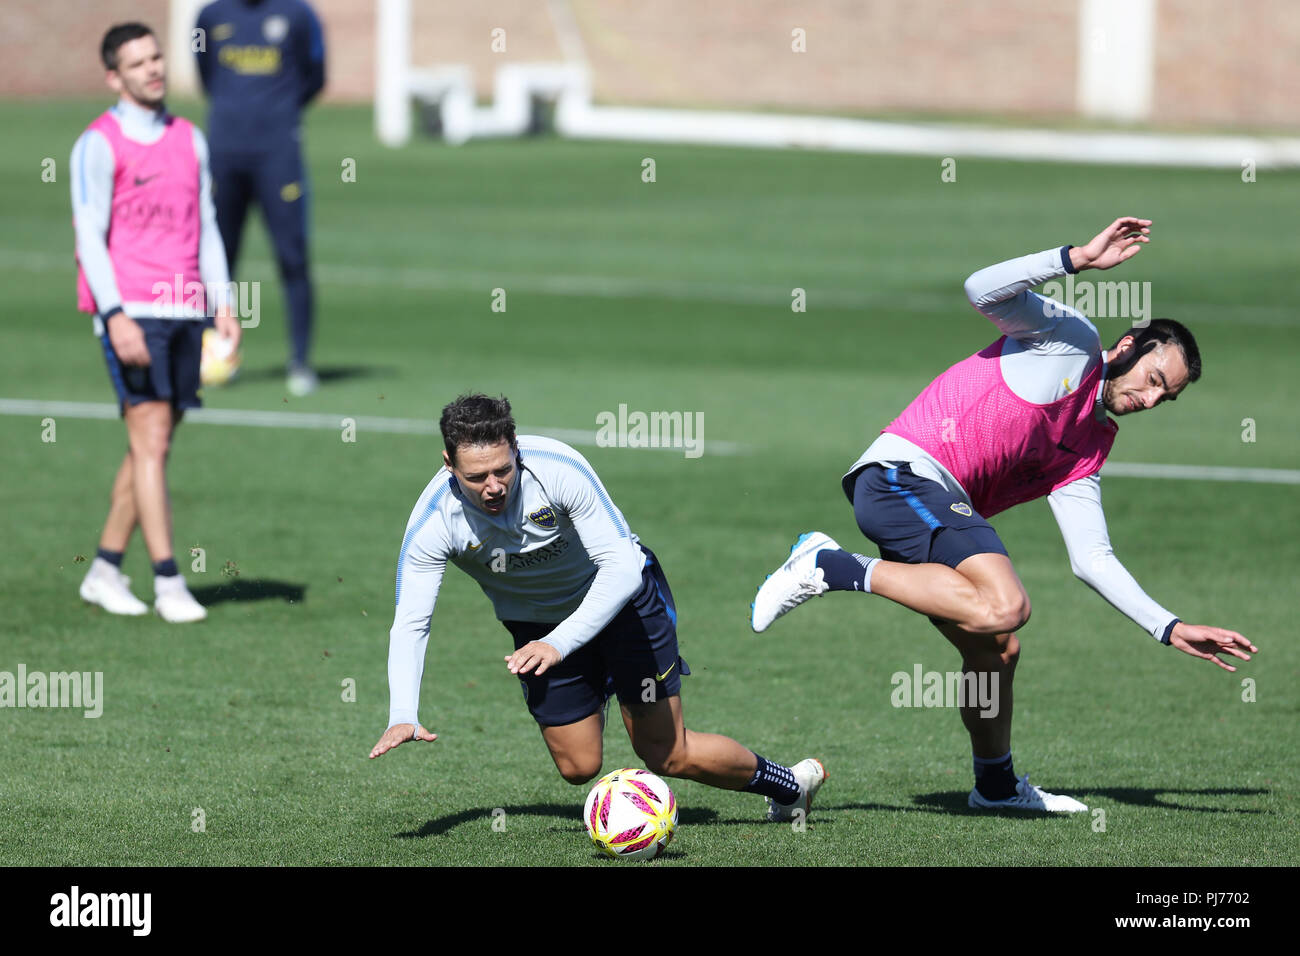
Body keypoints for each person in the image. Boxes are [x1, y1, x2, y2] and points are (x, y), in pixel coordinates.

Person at [751, 217, 1255, 812]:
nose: (1148, 400)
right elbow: (981, 289)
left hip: (926, 507)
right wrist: (1075, 259)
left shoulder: (1090, 443)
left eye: (1162, 398)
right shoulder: (1069, 340)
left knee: (995, 649)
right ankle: (829, 565)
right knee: (1009, 606)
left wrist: (1168, 627)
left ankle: (994, 785)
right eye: (1151, 380)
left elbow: (1092, 558)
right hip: (898, 478)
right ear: (1127, 348)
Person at [370, 394, 825, 822]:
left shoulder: (559, 469)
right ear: (448, 463)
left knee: (665, 753)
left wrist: (561, 642)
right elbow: (412, 622)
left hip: (624, 606)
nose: (493, 487)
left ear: (515, 450)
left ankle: (790, 787)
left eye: (502, 470)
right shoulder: (433, 523)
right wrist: (403, 713)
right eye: (476, 477)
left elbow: (622, 569)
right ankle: (601, 683)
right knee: (578, 766)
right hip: (537, 624)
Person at [72, 22, 241, 623]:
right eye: (137, 62)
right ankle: (169, 580)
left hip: (184, 311)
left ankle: (103, 569)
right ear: (113, 77)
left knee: (152, 447)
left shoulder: (189, 138)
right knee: (150, 440)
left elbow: (209, 224)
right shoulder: (97, 142)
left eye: (156, 57)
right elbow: (89, 237)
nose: (153, 69)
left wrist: (223, 303)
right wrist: (114, 314)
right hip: (132, 311)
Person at [195, 0, 325, 396]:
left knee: (292, 256)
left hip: (278, 156)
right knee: (217, 257)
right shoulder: (210, 17)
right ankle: (213, 354)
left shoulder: (298, 15)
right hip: (223, 153)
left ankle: (300, 362)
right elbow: (205, 75)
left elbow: (315, 76)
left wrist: (276, 112)